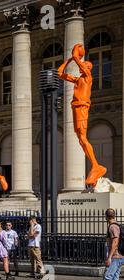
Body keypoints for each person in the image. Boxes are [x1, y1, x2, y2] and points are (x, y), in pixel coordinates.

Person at [58, 43, 106, 187]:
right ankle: (95, 166)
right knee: (80, 139)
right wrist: (70, 60)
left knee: (83, 138)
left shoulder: (88, 77)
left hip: (82, 107)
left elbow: (79, 61)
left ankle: (97, 166)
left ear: (88, 68)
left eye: (84, 64)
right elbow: (60, 73)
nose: (81, 65)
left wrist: (75, 55)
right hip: (75, 108)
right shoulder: (78, 80)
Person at [103, 208, 124, 280]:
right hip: (119, 256)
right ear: (114, 215)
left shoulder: (112, 227)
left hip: (116, 257)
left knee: (107, 278)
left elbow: (115, 242)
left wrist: (109, 257)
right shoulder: (117, 225)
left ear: (106, 217)